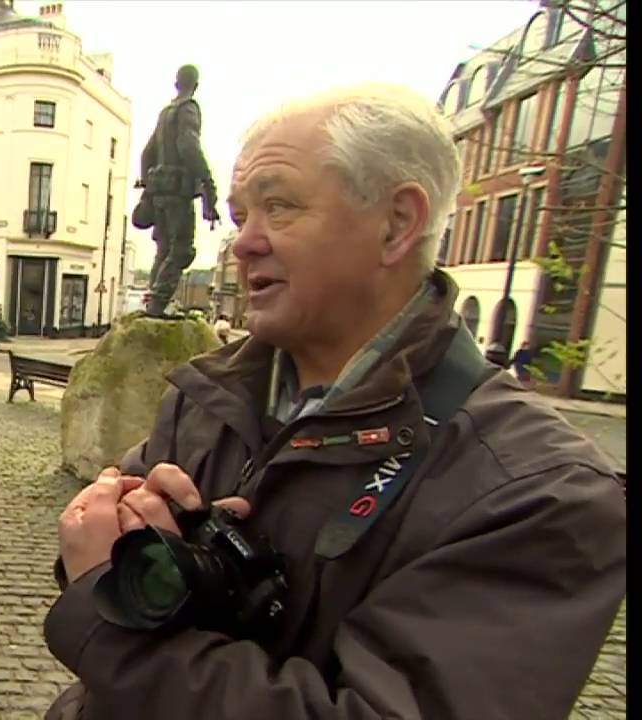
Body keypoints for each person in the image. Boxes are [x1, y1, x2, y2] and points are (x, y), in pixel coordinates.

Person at [43, 84, 624, 720]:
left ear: (397, 224)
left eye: (279, 206)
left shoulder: (537, 490)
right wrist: (115, 536)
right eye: (240, 216)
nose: (243, 244)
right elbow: (99, 567)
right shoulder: (207, 395)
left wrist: (105, 609)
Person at [139, 64, 219, 316]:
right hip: (177, 192)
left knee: (163, 247)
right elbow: (188, 145)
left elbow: (147, 153)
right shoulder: (188, 109)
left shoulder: (165, 114)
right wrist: (207, 180)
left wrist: (148, 186)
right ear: (195, 85)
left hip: (160, 192)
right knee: (182, 248)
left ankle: (154, 300)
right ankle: (158, 302)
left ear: (176, 83)